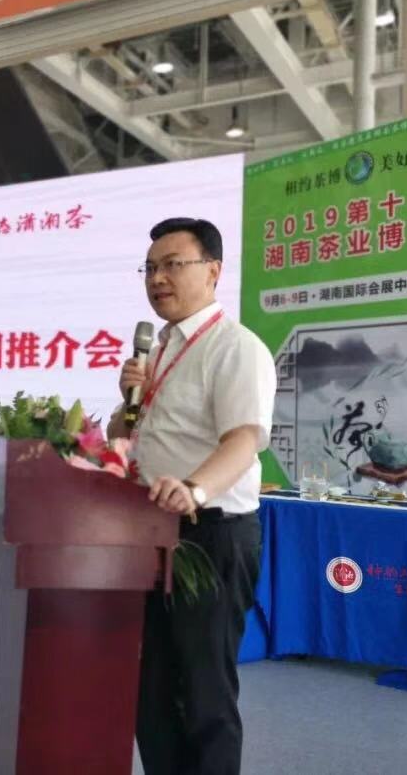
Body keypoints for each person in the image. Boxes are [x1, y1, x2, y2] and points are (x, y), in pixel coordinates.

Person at [107, 218, 276, 775]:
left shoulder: (236, 348)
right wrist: (126, 403)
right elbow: (124, 435)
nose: (158, 278)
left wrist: (195, 489)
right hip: (150, 534)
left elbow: (245, 439)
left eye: (173, 265)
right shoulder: (156, 353)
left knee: (204, 694)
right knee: (150, 688)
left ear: (213, 271)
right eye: (150, 268)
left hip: (211, 533)